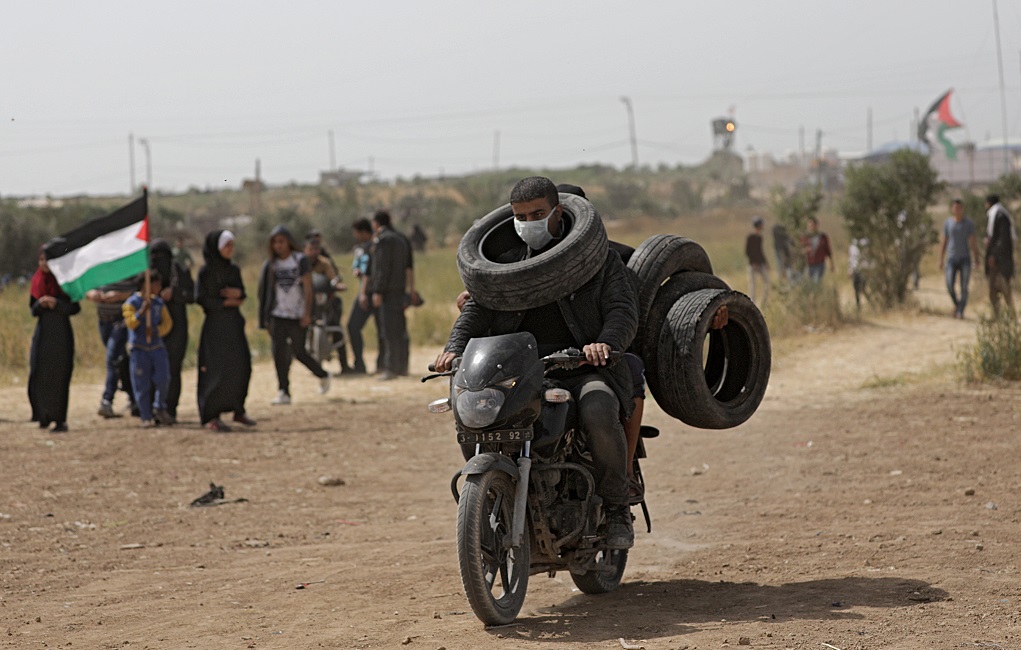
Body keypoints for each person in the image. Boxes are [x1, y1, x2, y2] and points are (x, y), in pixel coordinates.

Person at [434, 176, 639, 550]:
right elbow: (476, 310)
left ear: (558, 212)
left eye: (538, 213)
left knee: (598, 405)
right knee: (473, 411)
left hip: (581, 368)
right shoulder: (505, 265)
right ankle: (495, 496)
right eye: (521, 215)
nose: (528, 222)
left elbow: (622, 312)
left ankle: (615, 507)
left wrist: (604, 345)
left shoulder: (601, 261)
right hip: (519, 372)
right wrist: (454, 348)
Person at [257, 225, 331, 405]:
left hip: (297, 315)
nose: (278, 246)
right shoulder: (271, 264)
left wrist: (307, 313)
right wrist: (266, 319)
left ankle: (322, 374)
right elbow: (264, 292)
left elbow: (308, 288)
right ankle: (284, 390)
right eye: (275, 242)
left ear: (289, 242)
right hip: (278, 315)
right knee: (279, 353)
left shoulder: (300, 260)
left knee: (299, 352)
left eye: (281, 241)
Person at [196, 230, 255, 432]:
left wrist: (238, 294)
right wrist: (226, 302)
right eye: (226, 246)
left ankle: (237, 409)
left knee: (241, 365)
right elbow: (201, 299)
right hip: (215, 327)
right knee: (215, 370)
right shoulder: (205, 272)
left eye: (232, 246)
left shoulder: (234, 270)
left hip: (234, 324)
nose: (230, 250)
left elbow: (242, 293)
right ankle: (211, 414)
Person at [28, 247, 80, 433]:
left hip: (61, 335)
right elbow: (32, 309)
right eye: (41, 260)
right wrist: (41, 304)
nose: (44, 264)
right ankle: (43, 415)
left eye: (47, 261)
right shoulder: (37, 281)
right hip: (42, 334)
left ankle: (59, 419)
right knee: (39, 372)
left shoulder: (64, 282)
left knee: (59, 375)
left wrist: (56, 304)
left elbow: (75, 308)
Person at [122, 270, 174, 428]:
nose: (159, 287)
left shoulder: (158, 303)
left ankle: (159, 406)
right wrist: (141, 313)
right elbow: (130, 323)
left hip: (156, 347)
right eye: (155, 284)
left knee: (163, 378)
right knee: (141, 383)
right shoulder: (131, 303)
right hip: (139, 349)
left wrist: (157, 331)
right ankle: (145, 415)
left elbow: (168, 323)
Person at [150, 239, 195, 420]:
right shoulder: (148, 274)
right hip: (151, 328)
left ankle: (170, 409)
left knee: (173, 369)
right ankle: (151, 408)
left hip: (177, 328)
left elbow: (192, 295)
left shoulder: (179, 272)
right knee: (151, 368)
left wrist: (175, 294)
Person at [369, 211, 413, 380]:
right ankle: (403, 366)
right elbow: (408, 267)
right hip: (399, 290)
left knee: (389, 331)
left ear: (376, 223)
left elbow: (382, 268)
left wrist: (378, 290)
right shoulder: (401, 238)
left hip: (388, 292)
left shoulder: (384, 240)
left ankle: (391, 368)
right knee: (400, 329)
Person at [87, 277, 137, 418]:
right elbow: (86, 287)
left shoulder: (128, 267)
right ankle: (134, 398)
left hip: (121, 320)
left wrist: (119, 296)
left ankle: (107, 400)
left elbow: (140, 290)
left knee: (112, 358)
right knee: (121, 360)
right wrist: (92, 294)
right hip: (104, 321)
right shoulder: (100, 268)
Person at [304, 234, 352, 375]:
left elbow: (332, 277)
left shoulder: (324, 262)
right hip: (307, 301)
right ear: (305, 249)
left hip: (324, 300)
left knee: (336, 325)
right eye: (311, 249)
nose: (314, 252)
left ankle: (344, 364)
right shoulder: (301, 263)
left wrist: (337, 285)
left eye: (316, 249)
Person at [939, 199, 980, 319]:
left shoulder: (968, 224)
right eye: (955, 208)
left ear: (962, 209)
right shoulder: (948, 223)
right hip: (951, 258)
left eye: (959, 208)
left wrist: (976, 258)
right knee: (949, 284)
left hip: (965, 258)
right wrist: (940, 258)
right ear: (952, 209)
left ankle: (961, 311)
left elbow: (973, 242)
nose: (957, 210)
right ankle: (957, 304)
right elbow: (944, 241)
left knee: (964, 286)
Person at [347, 218, 376, 375]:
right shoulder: (362, 248)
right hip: (369, 292)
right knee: (354, 327)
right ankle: (360, 363)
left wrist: (363, 294)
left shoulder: (374, 247)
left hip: (371, 292)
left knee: (354, 326)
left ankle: (382, 363)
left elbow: (368, 273)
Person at [984, 194, 1016, 316]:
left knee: (1004, 289)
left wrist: (994, 255)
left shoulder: (999, 216)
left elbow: (1003, 240)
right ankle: (997, 315)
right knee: (993, 289)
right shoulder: (997, 215)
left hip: (1000, 262)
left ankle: (1010, 317)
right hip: (999, 260)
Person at [745, 216, 770, 306]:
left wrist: (766, 262)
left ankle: (764, 302)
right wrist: (753, 262)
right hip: (753, 265)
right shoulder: (750, 237)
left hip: (760, 264)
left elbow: (760, 251)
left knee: (767, 282)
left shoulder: (760, 237)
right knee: (752, 285)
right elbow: (748, 251)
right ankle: (752, 303)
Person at [802, 216, 834, 282]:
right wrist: (805, 250)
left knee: (816, 282)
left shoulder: (823, 237)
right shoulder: (805, 237)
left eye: (813, 225)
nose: (811, 227)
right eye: (809, 225)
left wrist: (831, 263)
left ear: (816, 225)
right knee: (808, 282)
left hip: (819, 264)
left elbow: (828, 250)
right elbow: (799, 250)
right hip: (808, 264)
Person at [848, 238, 868, 309]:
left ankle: (868, 303)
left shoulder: (866, 242)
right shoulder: (852, 245)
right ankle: (858, 305)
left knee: (864, 287)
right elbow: (851, 259)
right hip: (855, 269)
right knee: (856, 289)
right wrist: (850, 270)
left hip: (864, 269)